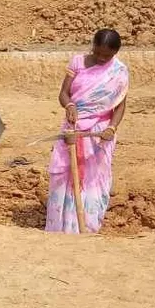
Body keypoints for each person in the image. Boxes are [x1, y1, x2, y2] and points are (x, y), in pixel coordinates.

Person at [46, 29, 129, 234]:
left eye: (107, 55)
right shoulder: (77, 62)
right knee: (66, 175)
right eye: (98, 52)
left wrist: (112, 127)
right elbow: (64, 94)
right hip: (73, 128)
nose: (101, 58)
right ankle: (62, 226)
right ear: (92, 45)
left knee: (94, 177)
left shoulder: (119, 72)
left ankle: (88, 225)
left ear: (115, 53)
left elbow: (119, 105)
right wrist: (70, 106)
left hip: (100, 134)